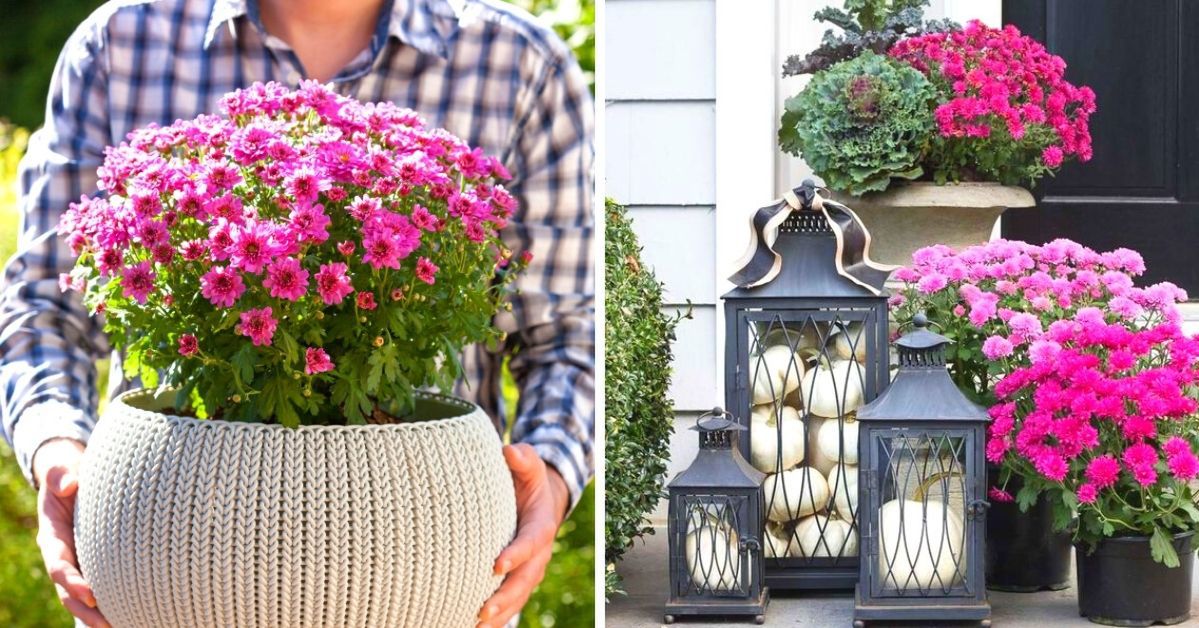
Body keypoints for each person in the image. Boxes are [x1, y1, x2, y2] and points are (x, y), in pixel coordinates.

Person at [0, 0, 594, 626]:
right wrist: (57, 455)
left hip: (419, 581)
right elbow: (44, 310)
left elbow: (569, 335)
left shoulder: (524, 61)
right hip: (169, 574)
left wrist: (547, 482)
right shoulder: (117, 41)